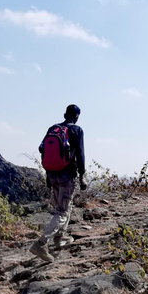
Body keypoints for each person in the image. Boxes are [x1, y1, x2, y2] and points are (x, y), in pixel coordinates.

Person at [30, 104, 87, 262]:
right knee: (62, 211)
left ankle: (60, 238)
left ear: (64, 114)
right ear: (77, 117)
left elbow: (42, 149)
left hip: (52, 174)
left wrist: (49, 174)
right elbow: (80, 154)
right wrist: (82, 175)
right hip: (66, 175)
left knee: (64, 207)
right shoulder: (77, 130)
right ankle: (41, 244)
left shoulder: (52, 128)